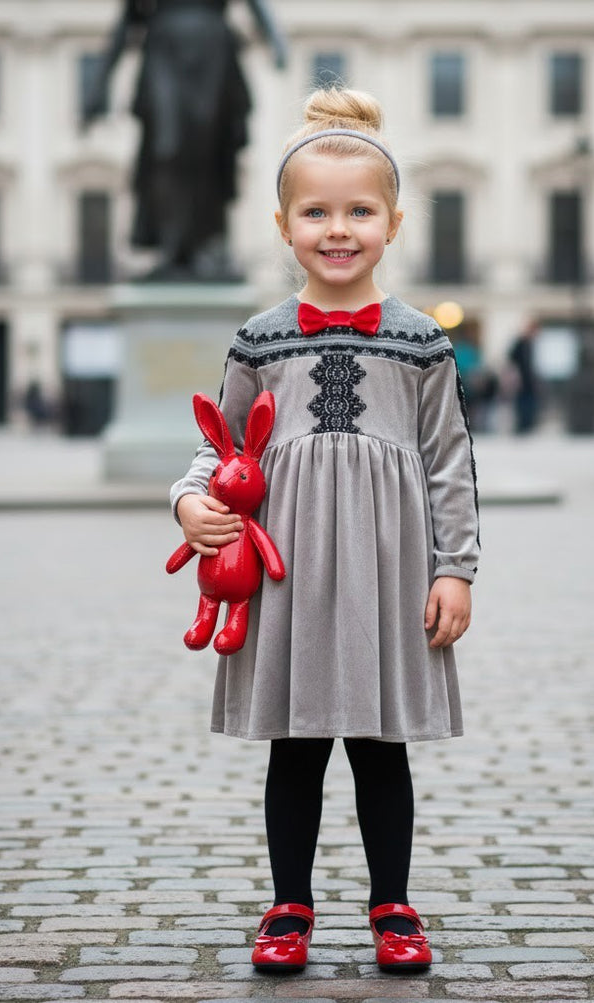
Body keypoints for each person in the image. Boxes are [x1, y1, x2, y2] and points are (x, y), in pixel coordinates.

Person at [170, 88, 479, 974]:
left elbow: (449, 458)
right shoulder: (258, 340)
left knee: (383, 750)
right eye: (315, 212)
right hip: (290, 576)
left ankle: (393, 904)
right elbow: (218, 444)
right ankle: (289, 906)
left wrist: (453, 568)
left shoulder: (421, 342)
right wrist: (190, 503)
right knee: (296, 747)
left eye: (359, 212)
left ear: (394, 223)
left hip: (388, 574)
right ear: (283, 224)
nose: (337, 230)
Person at [83, 0, 287, 280]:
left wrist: (275, 39)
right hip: (164, 49)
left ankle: (206, 247)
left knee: (209, 151)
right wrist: (99, 83)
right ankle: (172, 247)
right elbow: (127, 19)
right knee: (166, 149)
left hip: (212, 48)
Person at [508, 317, 540, 434]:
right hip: (522, 381)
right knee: (523, 403)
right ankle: (522, 426)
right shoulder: (521, 343)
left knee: (529, 403)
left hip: (529, 381)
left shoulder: (531, 344)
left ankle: (527, 425)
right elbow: (512, 360)